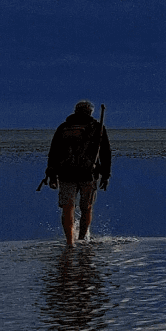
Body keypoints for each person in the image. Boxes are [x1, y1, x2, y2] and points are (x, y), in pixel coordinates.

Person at [44, 100, 111, 247]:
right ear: (90, 112)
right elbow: (105, 153)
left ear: (75, 111)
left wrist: (52, 174)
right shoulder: (97, 127)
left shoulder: (63, 127)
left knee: (68, 207)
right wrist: (106, 175)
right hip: (88, 174)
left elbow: (53, 153)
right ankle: (81, 239)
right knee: (86, 207)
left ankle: (70, 242)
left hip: (66, 173)